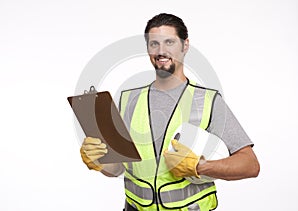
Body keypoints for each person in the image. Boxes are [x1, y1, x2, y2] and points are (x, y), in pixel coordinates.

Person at [80, 13, 260, 211]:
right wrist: (100, 162)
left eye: (169, 42)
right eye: (154, 44)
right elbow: (118, 169)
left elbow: (250, 164)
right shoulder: (128, 100)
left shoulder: (207, 101)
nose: (161, 51)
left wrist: (200, 167)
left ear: (185, 46)